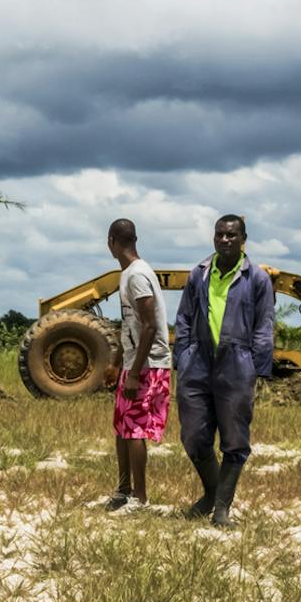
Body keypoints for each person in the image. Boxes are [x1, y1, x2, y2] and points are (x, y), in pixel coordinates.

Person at [171, 214, 275, 526]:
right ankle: (212, 492)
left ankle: (220, 509)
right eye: (220, 235)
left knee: (234, 439)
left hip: (237, 362)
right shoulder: (199, 274)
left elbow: (264, 326)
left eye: (231, 235)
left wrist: (257, 369)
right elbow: (184, 318)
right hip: (198, 362)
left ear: (244, 239)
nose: (225, 240)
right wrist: (183, 356)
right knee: (193, 435)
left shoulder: (257, 279)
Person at [104, 218, 171, 512]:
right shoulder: (129, 273)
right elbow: (130, 325)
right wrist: (117, 362)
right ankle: (123, 490)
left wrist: (134, 374)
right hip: (134, 363)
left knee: (135, 430)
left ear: (111, 242)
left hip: (149, 364)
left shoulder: (138, 276)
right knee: (121, 427)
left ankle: (140, 499)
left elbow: (148, 327)